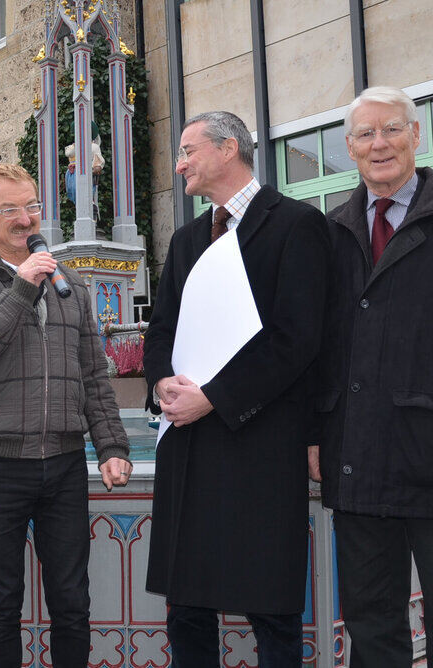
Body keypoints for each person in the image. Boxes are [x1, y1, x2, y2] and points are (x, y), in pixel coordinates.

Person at [143, 111, 328, 666]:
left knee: (271, 614)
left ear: (228, 149)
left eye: (187, 151)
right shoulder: (187, 238)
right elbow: (161, 332)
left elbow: (297, 340)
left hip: (261, 448)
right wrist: (160, 385)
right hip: (188, 449)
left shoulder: (297, 224)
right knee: (187, 613)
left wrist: (214, 398)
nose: (178, 165)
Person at [0, 163, 131, 666]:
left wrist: (111, 446)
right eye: (11, 209)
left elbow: (92, 375)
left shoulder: (70, 284)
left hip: (63, 465)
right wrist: (20, 288)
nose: (26, 219)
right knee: (1, 606)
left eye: (33, 206)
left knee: (73, 604)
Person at [310, 86, 433, 667]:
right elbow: (314, 347)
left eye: (391, 129)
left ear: (417, 135)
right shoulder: (330, 233)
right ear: (349, 149)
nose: (379, 143)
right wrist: (313, 432)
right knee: (372, 626)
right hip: (357, 457)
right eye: (365, 134)